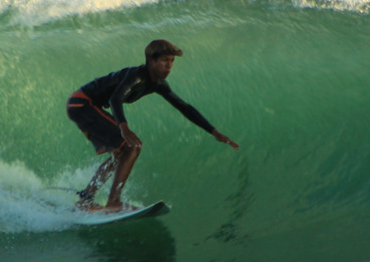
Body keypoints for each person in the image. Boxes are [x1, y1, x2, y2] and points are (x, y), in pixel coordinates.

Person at [66, 39, 240, 212]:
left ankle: (86, 199)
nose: (169, 66)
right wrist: (124, 127)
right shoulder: (137, 76)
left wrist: (214, 132)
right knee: (132, 147)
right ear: (151, 60)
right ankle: (114, 202)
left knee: (121, 153)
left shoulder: (158, 84)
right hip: (82, 104)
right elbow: (115, 98)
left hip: (82, 105)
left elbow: (184, 107)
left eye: (171, 61)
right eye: (165, 61)